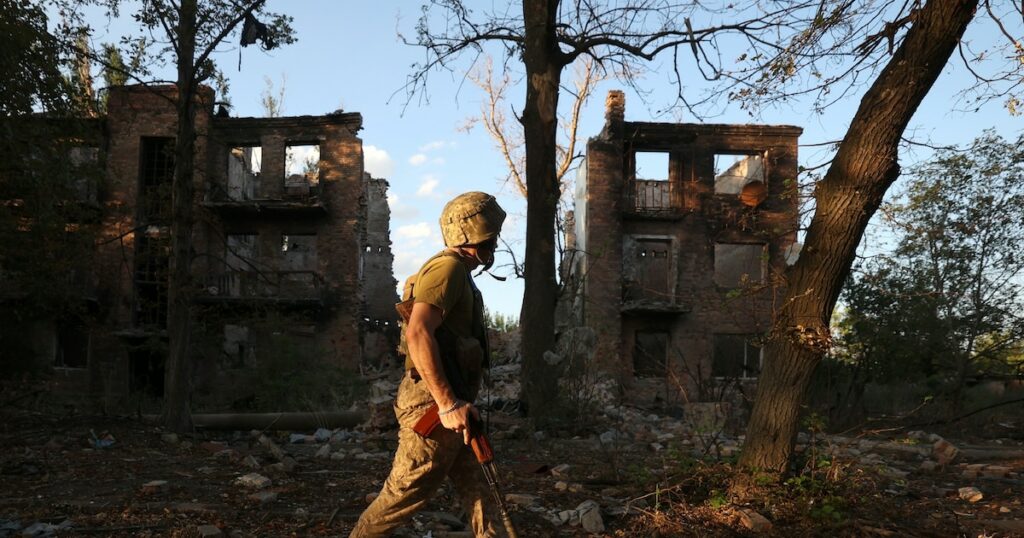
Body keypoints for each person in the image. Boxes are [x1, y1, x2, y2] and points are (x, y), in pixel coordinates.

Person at [350, 192, 507, 538]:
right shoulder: (447, 268)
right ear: (471, 233)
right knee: (404, 493)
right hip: (434, 409)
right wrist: (448, 403)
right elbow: (420, 332)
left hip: (454, 406)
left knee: (484, 495)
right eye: (490, 233)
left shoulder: (460, 273)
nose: (495, 240)